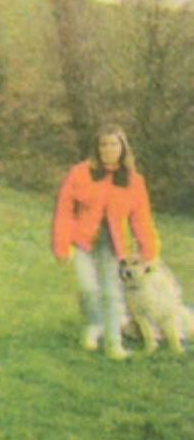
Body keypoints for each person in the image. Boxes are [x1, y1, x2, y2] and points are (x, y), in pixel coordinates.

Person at [51, 124, 160, 359]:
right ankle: (95, 324)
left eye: (114, 144)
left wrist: (149, 251)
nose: (108, 149)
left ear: (123, 148)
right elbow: (64, 210)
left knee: (111, 292)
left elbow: (141, 218)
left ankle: (114, 344)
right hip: (83, 242)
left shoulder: (133, 180)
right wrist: (61, 246)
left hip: (114, 245)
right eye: (103, 144)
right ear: (96, 148)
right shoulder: (80, 172)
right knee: (88, 288)